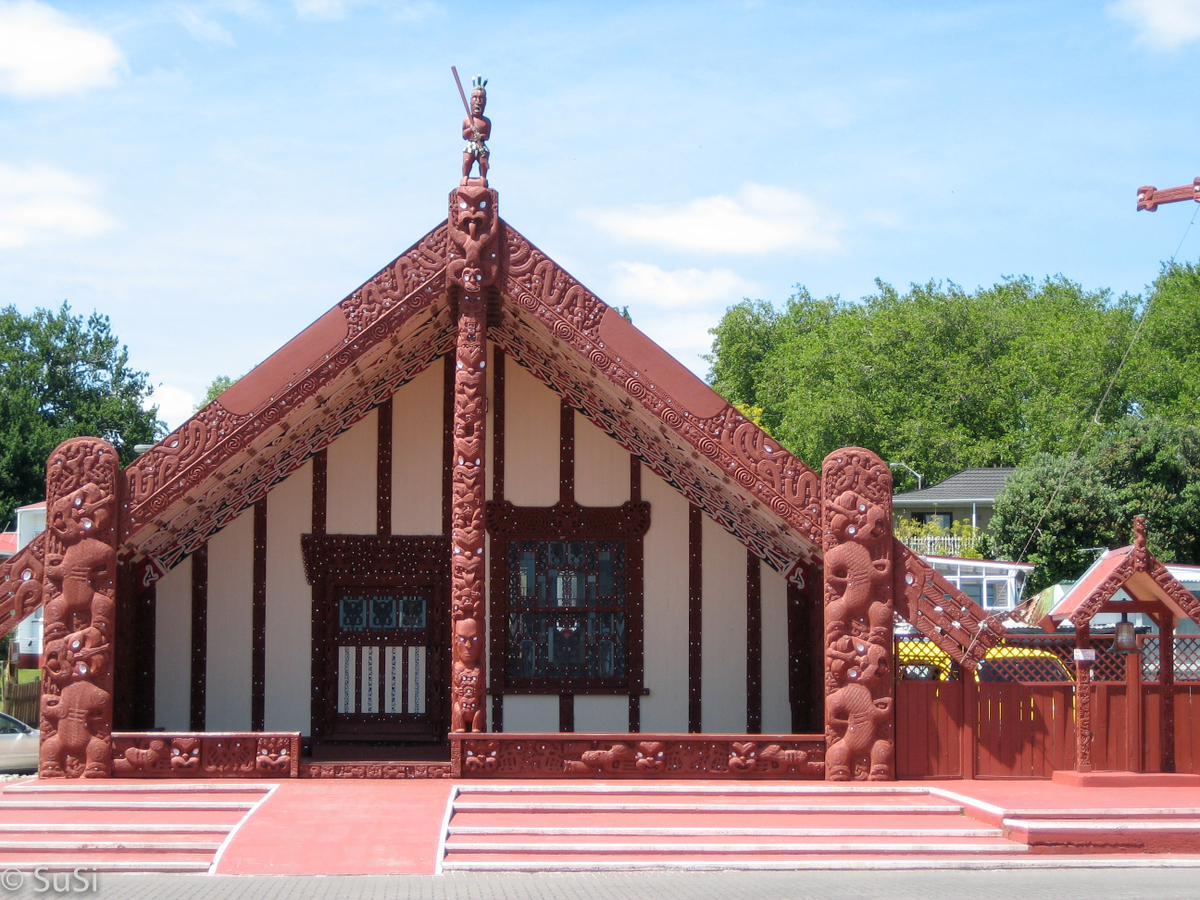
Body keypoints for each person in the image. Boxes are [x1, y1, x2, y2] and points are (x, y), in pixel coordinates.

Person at [461, 76, 491, 185]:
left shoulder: (486, 121)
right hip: (471, 144)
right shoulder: (467, 119)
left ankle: (483, 177)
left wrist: (480, 135)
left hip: (481, 145)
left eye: (481, 99)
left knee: (483, 161)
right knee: (467, 160)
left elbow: (487, 136)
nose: (478, 102)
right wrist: (470, 129)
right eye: (475, 98)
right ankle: (465, 176)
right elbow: (464, 135)